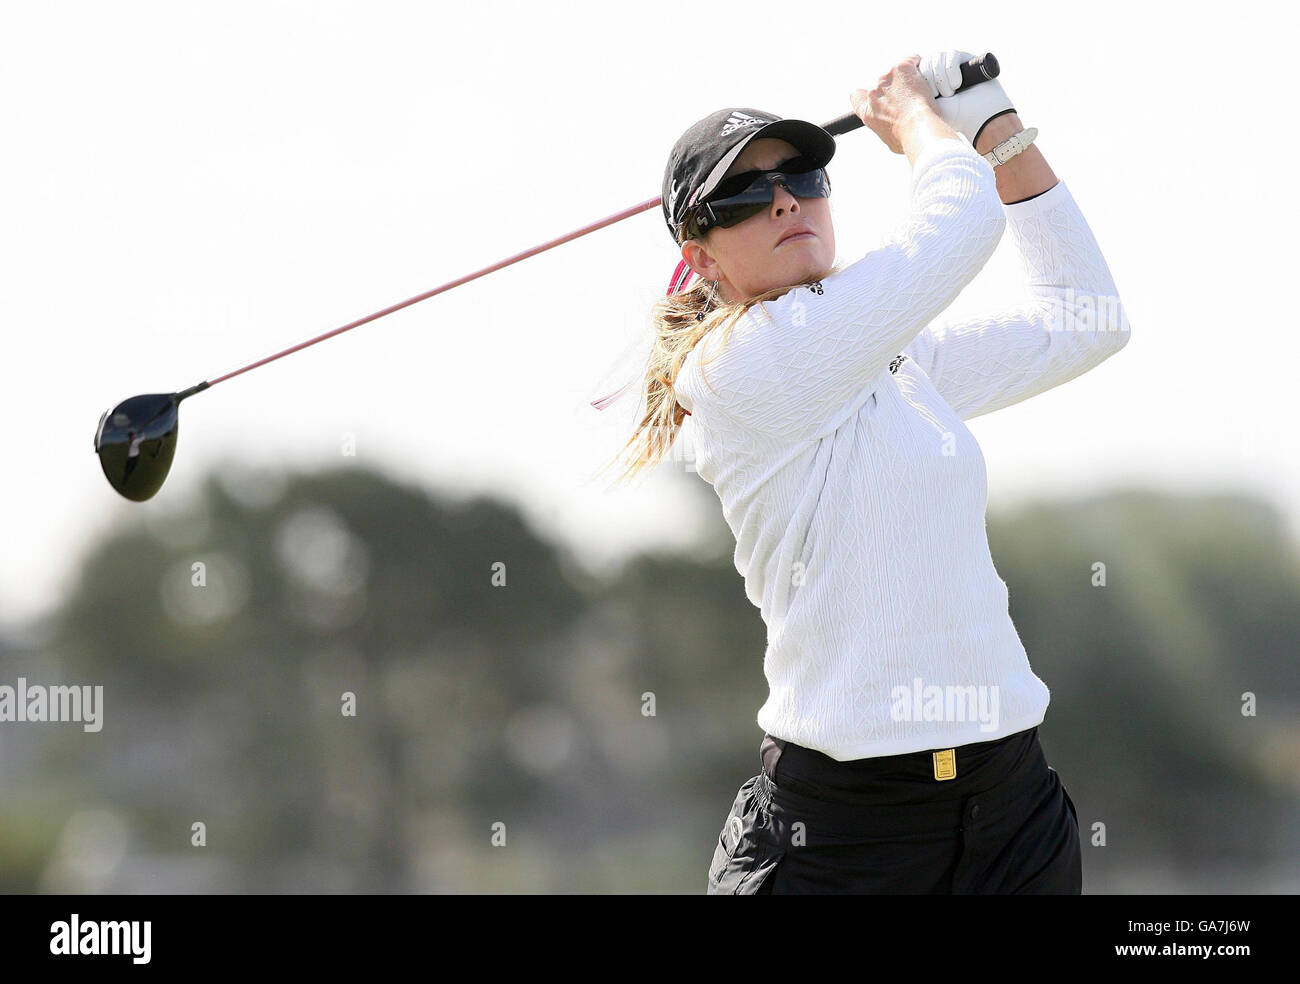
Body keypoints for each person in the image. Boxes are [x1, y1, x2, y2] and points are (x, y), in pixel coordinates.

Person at [609, 51, 1131, 893]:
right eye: (741, 195)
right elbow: (958, 229)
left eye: (803, 175)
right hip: (845, 836)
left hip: (1011, 812)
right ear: (702, 261)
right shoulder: (736, 368)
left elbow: (1087, 320)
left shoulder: (887, 354)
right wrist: (917, 121)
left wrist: (994, 123)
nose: (784, 199)